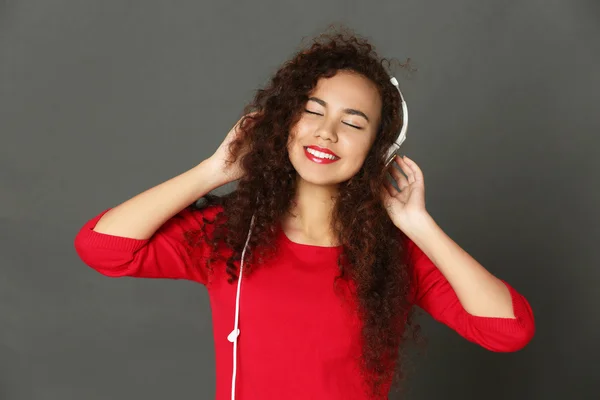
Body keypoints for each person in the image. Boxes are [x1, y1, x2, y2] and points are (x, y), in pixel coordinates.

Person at [74, 27, 535, 400]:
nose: (327, 133)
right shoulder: (232, 232)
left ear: (379, 147)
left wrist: (418, 224)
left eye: (353, 123)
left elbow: (508, 330)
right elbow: (102, 247)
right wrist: (214, 171)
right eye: (313, 112)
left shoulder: (393, 255)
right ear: (286, 123)